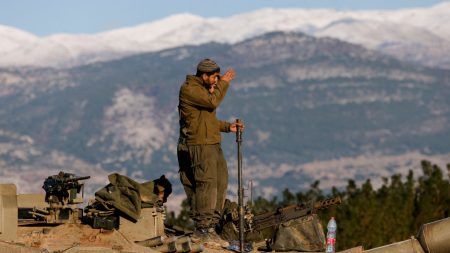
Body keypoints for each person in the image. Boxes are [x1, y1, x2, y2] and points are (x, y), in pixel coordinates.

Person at [177, 58, 244, 248]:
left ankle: (212, 227)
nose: (216, 80)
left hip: (212, 142)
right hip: (198, 144)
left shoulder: (204, 89)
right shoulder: (190, 89)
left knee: (220, 181)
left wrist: (226, 127)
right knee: (206, 184)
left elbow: (205, 120)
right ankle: (203, 229)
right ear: (204, 76)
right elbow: (212, 103)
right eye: (214, 77)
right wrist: (224, 83)